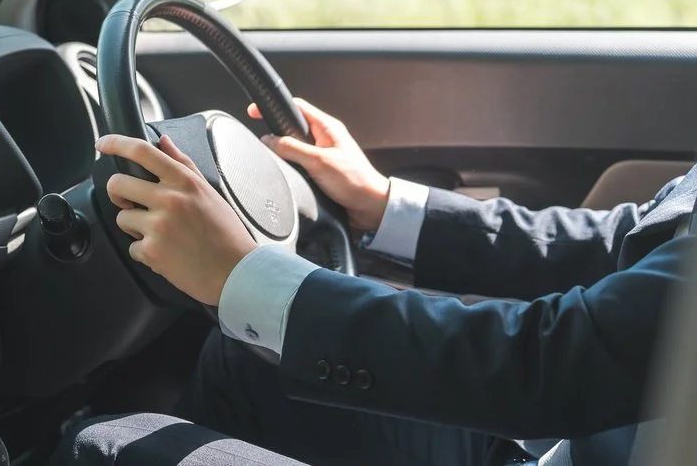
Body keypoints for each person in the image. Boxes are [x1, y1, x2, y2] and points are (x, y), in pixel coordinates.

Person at [51, 98, 696, 466]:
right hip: (572, 441)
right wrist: (383, 203)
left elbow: (550, 365)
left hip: (567, 419)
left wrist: (241, 273)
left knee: (101, 448)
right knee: (245, 359)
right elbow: (631, 240)